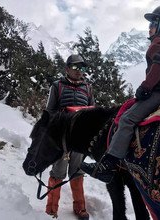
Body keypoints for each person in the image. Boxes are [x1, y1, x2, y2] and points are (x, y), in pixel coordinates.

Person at [81, 5, 160, 184]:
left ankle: (108, 165)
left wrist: (146, 87)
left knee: (127, 119)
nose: (150, 27)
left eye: (154, 22)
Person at [45, 54, 94, 219]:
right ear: (67, 68)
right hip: (62, 138)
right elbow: (49, 112)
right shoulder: (57, 86)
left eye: (82, 68)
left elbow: (92, 113)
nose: (79, 71)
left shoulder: (88, 88)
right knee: (58, 172)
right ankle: (51, 209)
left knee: (77, 171)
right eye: (76, 67)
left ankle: (80, 208)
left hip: (79, 139)